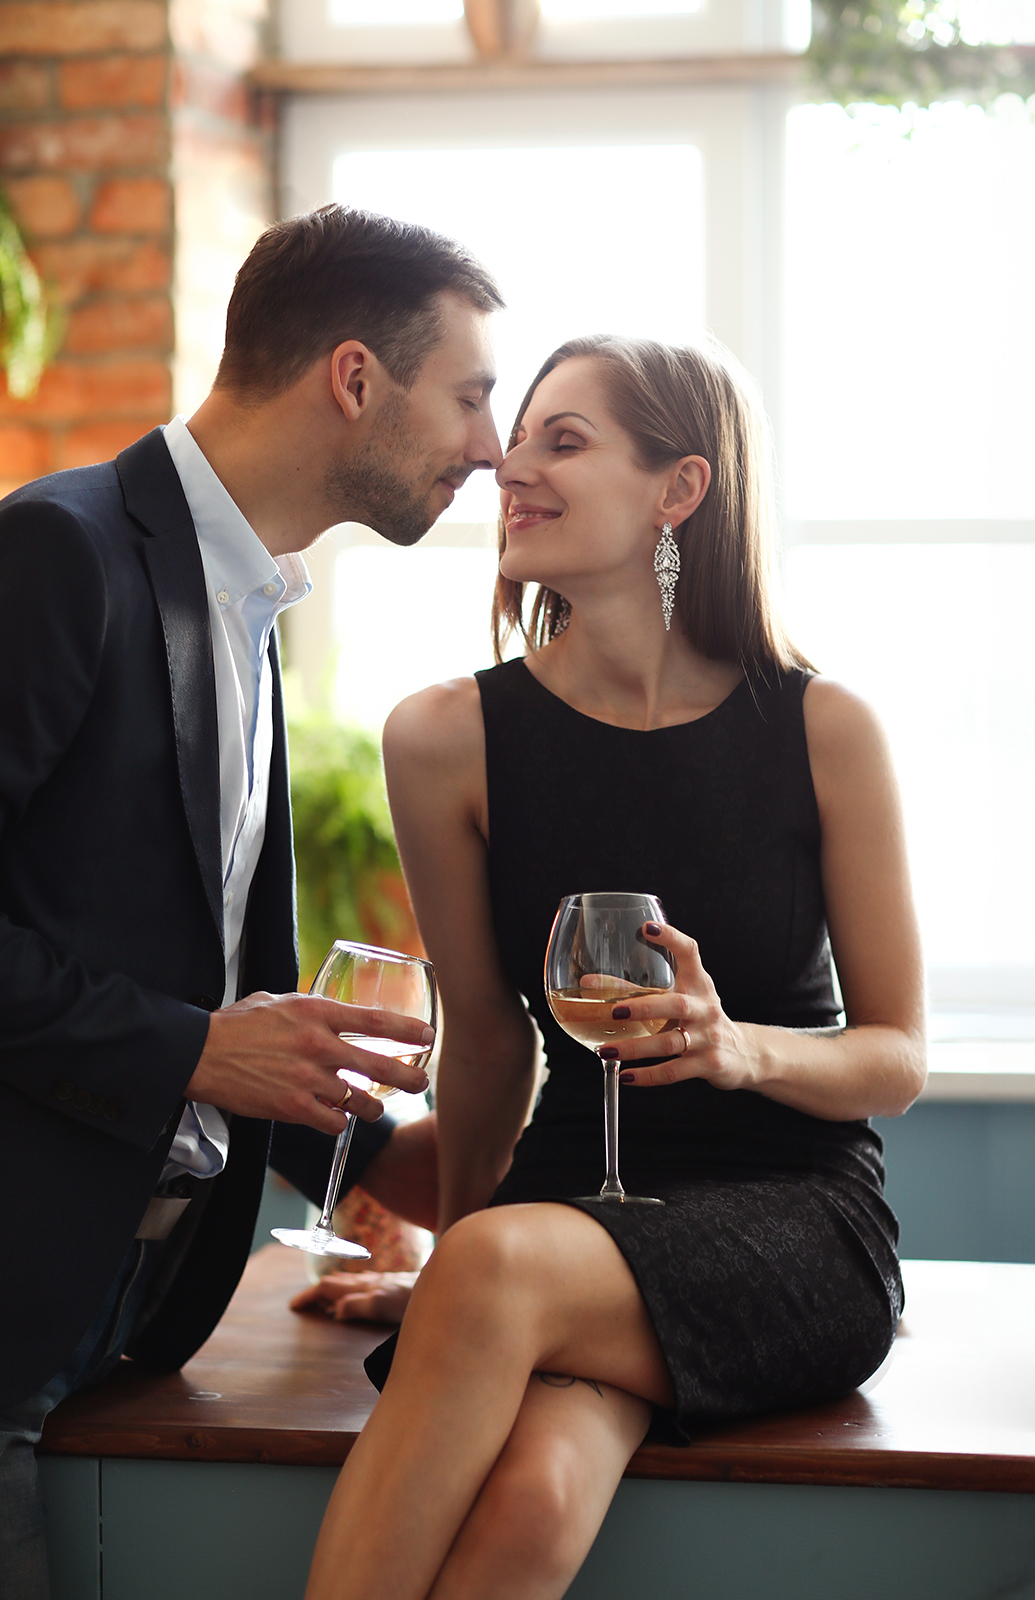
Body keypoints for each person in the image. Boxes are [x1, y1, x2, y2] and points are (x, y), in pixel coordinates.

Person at [295, 334, 926, 1599]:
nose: (506, 467)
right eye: (515, 435)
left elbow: (896, 1057)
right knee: (531, 1502)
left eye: (560, 441)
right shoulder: (444, 739)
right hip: (563, 1212)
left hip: (792, 1215)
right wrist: (466, 1293)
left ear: (678, 489)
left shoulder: (822, 729)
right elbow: (484, 1041)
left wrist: (736, 1045)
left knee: (495, 1279)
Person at [0, 204, 505, 1598]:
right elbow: (200, 1032)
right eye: (468, 394)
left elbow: (213, 994)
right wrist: (196, 1048)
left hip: (131, 1314)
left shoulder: (251, 610)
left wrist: (409, 1174)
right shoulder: (59, 553)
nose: (491, 444)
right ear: (355, 378)